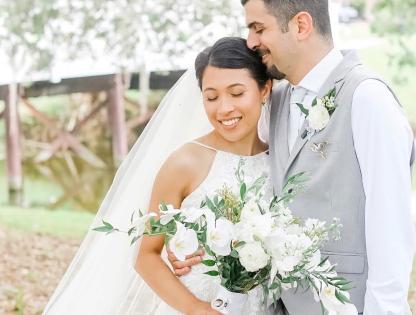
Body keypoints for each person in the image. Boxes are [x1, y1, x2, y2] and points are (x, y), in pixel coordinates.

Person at [175, 1, 416, 314]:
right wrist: (192, 246)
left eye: (259, 28)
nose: (250, 42)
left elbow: (391, 224)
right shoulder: (274, 100)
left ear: (301, 25)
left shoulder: (368, 99)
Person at [43, 37, 272, 315]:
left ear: (264, 89)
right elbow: (145, 255)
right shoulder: (185, 162)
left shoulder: (279, 159)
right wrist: (196, 308)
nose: (223, 108)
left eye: (236, 93)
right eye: (211, 97)